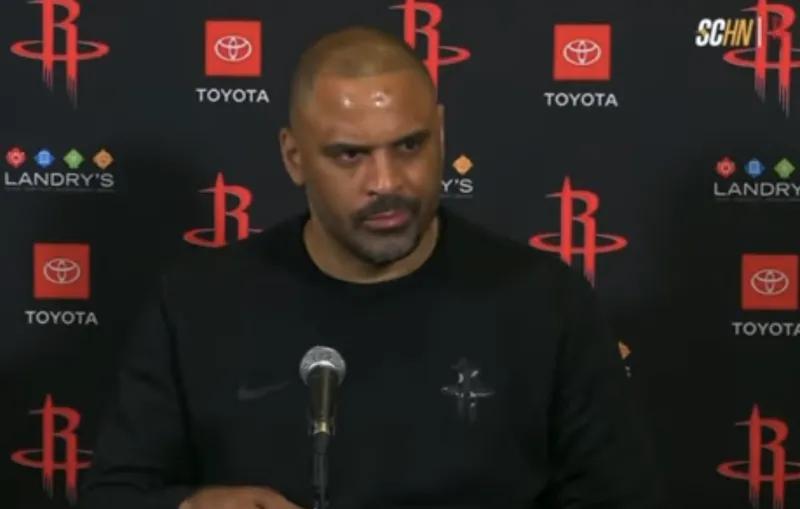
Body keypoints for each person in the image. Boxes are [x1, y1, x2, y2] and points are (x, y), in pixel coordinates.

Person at [79, 26, 660, 509]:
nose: (386, 183)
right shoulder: (196, 306)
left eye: (409, 146)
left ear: (441, 135)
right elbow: (113, 495)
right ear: (293, 157)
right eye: (350, 155)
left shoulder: (545, 302)